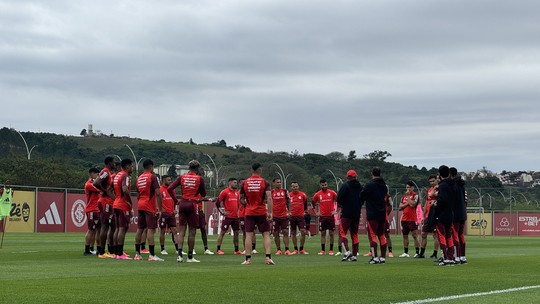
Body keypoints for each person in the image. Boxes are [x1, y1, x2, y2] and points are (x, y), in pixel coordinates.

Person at [167, 160, 206, 263]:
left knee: (181, 231)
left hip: (183, 203)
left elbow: (169, 189)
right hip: (192, 204)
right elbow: (204, 193)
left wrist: (176, 201)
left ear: (189, 168)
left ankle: (179, 255)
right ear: (197, 168)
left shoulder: (182, 177)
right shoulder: (199, 178)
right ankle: (189, 257)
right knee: (192, 232)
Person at [239, 163, 274, 265]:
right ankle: (268, 257)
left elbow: (241, 199)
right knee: (266, 234)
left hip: (249, 212)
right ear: (260, 170)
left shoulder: (245, 183)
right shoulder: (264, 182)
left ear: (251, 170)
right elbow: (269, 198)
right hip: (261, 211)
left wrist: (247, 206)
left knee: (249, 235)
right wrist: (270, 212)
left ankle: (248, 259)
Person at [133, 159, 164, 261]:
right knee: (151, 230)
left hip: (140, 204)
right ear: (151, 166)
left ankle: (137, 254)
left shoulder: (139, 178)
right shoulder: (153, 177)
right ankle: (151, 255)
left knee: (140, 229)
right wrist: (160, 208)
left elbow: (138, 195)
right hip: (149, 206)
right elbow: (158, 193)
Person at [360, 167, 389, 264]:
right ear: (380, 173)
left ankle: (375, 257)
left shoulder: (369, 185)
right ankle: (383, 257)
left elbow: (361, 196)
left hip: (372, 213)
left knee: (372, 235)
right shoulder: (384, 185)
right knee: (381, 235)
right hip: (382, 213)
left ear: (371, 173)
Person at [93, 157, 117, 258]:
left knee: (109, 226)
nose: (114, 164)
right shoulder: (106, 171)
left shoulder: (108, 173)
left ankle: (106, 250)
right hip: (105, 202)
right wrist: (104, 190)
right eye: (113, 162)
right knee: (105, 226)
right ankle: (102, 251)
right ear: (110, 163)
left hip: (107, 201)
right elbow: (96, 183)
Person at [337, 170, 363, 262]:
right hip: (356, 213)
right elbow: (362, 199)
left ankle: (347, 252)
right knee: (354, 234)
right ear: (356, 176)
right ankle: (354, 255)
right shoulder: (360, 186)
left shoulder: (345, 185)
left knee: (342, 232)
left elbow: (339, 199)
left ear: (348, 177)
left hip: (346, 213)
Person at [434, 165, 456, 266]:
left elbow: (442, 200)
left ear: (439, 174)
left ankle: (445, 258)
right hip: (450, 214)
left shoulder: (442, 186)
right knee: (449, 236)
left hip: (441, 214)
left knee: (442, 236)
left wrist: (435, 203)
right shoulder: (453, 185)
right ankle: (451, 258)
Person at [112, 158, 134, 260]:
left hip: (116, 203)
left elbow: (110, 189)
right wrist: (130, 201)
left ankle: (116, 252)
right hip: (123, 204)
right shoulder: (125, 175)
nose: (132, 168)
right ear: (127, 166)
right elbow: (125, 189)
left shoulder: (117, 175)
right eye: (131, 166)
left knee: (117, 228)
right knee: (122, 228)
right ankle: (120, 253)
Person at [215, 177, 242, 255]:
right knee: (223, 232)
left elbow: (237, 204)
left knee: (236, 233)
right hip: (228, 217)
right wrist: (222, 212)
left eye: (236, 182)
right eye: (234, 182)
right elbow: (217, 203)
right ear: (230, 183)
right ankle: (218, 249)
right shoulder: (225, 192)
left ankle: (236, 250)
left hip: (236, 217)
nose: (236, 184)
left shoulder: (237, 193)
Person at [312, 179, 338, 255]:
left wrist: (336, 211)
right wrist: (316, 212)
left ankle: (331, 250)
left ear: (327, 184)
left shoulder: (332, 192)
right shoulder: (317, 194)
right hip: (322, 217)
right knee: (323, 233)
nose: (324, 186)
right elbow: (313, 203)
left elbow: (339, 201)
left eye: (325, 184)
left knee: (331, 233)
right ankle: (323, 250)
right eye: (323, 185)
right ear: (320, 185)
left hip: (330, 216)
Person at [398, 181, 421, 258]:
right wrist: (407, 203)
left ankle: (417, 252)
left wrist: (408, 198)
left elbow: (413, 204)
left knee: (414, 236)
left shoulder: (415, 195)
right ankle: (405, 252)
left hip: (412, 219)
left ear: (412, 188)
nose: (407, 189)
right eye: (407, 187)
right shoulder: (403, 197)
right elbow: (400, 207)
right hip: (404, 219)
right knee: (405, 236)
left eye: (409, 187)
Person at [420, 175, 440, 259]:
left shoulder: (439, 189)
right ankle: (422, 253)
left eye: (433, 181)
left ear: (437, 180)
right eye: (430, 181)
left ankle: (435, 253)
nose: (432, 183)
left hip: (435, 215)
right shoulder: (429, 190)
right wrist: (423, 215)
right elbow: (426, 203)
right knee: (423, 234)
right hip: (428, 216)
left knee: (435, 235)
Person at [450, 167, 468, 264]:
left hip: (455, 214)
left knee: (455, 234)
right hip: (463, 213)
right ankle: (463, 256)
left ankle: (456, 257)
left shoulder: (453, 185)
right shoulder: (462, 185)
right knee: (461, 235)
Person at [271, 178, 292, 255]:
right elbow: (268, 202)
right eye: (277, 182)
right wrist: (269, 213)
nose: (279, 183)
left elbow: (289, 201)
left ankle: (287, 249)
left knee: (285, 232)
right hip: (275, 216)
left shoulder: (285, 191)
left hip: (284, 215)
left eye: (280, 182)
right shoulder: (271, 192)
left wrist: (289, 211)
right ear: (274, 183)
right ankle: (278, 249)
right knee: (276, 233)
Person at [158, 175, 178, 255]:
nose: (170, 182)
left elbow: (174, 200)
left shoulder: (172, 190)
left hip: (171, 213)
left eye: (170, 180)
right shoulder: (160, 189)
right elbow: (158, 200)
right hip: (164, 213)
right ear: (163, 180)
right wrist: (161, 210)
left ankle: (177, 249)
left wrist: (174, 209)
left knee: (174, 230)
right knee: (162, 231)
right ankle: (162, 249)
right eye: (168, 180)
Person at [84, 168, 101, 256]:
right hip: (91, 209)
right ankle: (86, 250)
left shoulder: (94, 183)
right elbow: (100, 189)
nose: (98, 176)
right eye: (96, 174)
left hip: (96, 209)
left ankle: (91, 249)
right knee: (91, 230)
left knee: (95, 230)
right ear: (91, 174)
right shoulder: (89, 184)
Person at [289, 181, 309, 255]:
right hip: (292, 216)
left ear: (298, 187)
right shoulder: (289, 195)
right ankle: (295, 249)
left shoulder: (303, 195)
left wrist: (304, 212)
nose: (295, 188)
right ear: (291, 187)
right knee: (293, 233)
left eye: (296, 186)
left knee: (303, 231)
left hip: (300, 216)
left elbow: (305, 204)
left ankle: (301, 249)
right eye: (293, 187)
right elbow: (286, 204)